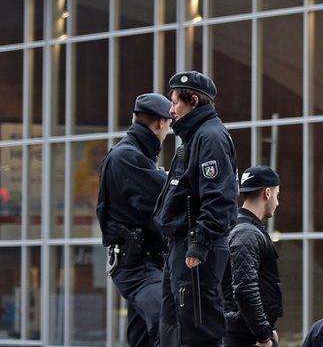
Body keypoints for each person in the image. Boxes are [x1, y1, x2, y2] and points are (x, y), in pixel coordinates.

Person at [153, 71, 239, 346]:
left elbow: (219, 198)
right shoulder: (194, 138)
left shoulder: (210, 137)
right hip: (182, 247)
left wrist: (199, 244)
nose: (171, 109)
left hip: (197, 249)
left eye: (175, 102)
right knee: (173, 328)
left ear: (193, 100)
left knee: (198, 331)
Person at [97, 93, 172, 346]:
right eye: (169, 124)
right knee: (170, 321)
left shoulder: (135, 154)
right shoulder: (128, 157)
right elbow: (165, 197)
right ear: (161, 123)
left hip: (143, 263)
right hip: (138, 267)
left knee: (143, 337)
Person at [222, 165, 283, 347]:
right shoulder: (246, 233)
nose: (277, 202)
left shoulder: (243, 229)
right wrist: (263, 336)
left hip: (248, 331)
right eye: (277, 194)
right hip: (246, 335)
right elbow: (245, 289)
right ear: (267, 193)